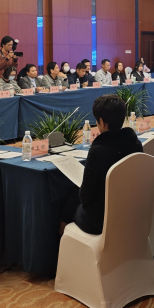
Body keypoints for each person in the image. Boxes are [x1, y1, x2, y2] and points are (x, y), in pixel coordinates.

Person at [61, 94, 143, 235]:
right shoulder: (136, 143)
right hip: (131, 211)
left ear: (102, 122)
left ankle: (59, 242)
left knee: (70, 201)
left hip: (100, 220)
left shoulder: (98, 150)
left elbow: (86, 197)